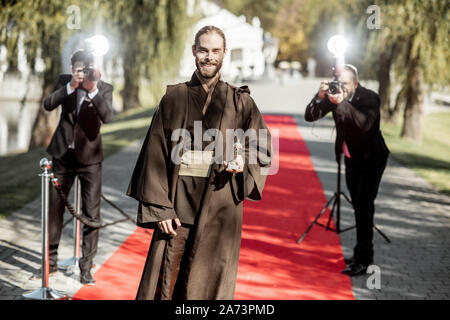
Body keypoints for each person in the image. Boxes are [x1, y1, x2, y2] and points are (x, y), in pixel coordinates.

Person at [127, 25, 271, 299]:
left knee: (208, 284)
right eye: (203, 50)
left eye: (216, 51)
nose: (209, 56)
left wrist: (242, 161)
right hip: (177, 205)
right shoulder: (174, 98)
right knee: (167, 282)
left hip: (219, 205)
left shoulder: (241, 102)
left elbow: (261, 147)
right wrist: (160, 209)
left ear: (224, 53)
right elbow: (154, 154)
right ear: (194, 51)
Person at [305, 64, 389, 276]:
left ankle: (364, 259)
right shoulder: (335, 94)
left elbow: (365, 125)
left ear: (356, 83)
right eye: (338, 82)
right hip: (351, 159)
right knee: (359, 207)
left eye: (345, 84)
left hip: (372, 159)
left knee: (363, 206)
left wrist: (340, 102)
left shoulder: (369, 97)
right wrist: (320, 95)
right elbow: (311, 116)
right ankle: (362, 252)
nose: (341, 87)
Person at [43, 49, 114, 285]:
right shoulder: (65, 82)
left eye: (85, 69)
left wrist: (92, 89)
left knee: (92, 214)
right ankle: (50, 262)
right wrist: (70, 86)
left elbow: (108, 117)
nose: (81, 73)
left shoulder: (103, 88)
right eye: (78, 68)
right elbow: (48, 104)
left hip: (90, 159)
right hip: (63, 155)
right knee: (54, 210)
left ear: (92, 69)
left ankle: (86, 267)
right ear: (72, 67)